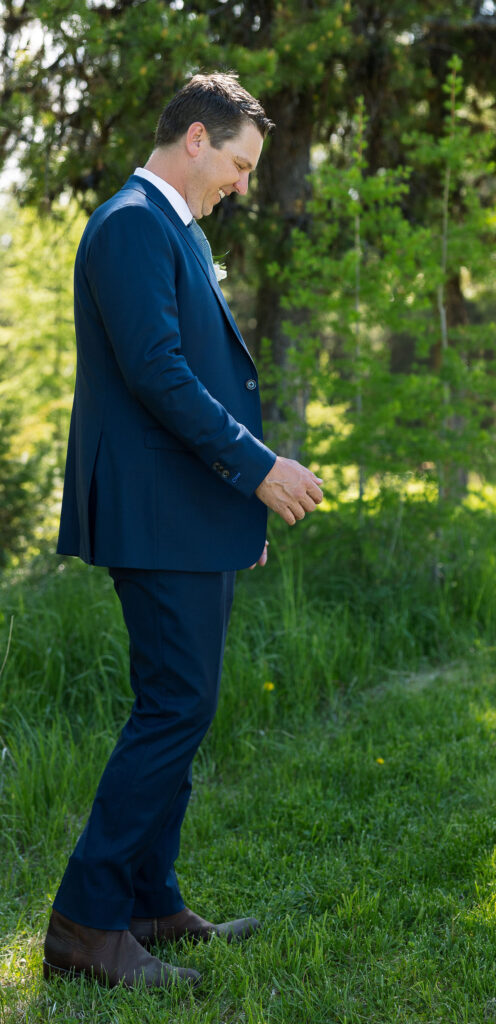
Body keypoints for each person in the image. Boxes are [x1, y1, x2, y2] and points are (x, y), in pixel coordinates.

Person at [43, 73, 324, 987]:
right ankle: (87, 923)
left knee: (183, 705)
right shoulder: (132, 223)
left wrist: (234, 505)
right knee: (173, 708)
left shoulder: (167, 227)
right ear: (196, 139)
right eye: (240, 164)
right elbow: (160, 378)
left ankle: (150, 901)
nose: (244, 183)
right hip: (152, 512)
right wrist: (260, 470)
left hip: (184, 511)